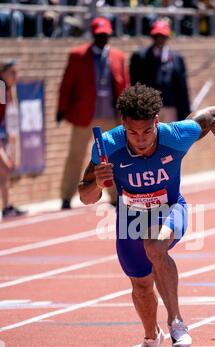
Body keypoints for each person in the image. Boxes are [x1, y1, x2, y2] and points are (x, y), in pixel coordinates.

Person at [78, 83, 215, 347]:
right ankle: (151, 337)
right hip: (131, 217)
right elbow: (86, 197)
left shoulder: (176, 135)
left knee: (155, 245)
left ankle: (176, 320)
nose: (140, 140)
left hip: (170, 208)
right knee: (140, 285)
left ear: (156, 122)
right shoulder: (108, 147)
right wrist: (97, 181)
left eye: (147, 132)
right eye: (132, 133)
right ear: (123, 125)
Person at [56, 16, 129, 209]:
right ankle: (66, 195)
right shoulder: (78, 55)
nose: (102, 38)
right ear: (93, 35)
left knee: (114, 157)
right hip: (84, 116)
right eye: (99, 35)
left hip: (110, 116)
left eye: (105, 35)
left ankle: (115, 196)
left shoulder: (118, 57)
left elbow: (125, 85)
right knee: (76, 156)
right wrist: (61, 109)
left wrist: (128, 112)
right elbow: (67, 84)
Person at [130, 18, 191, 122]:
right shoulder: (140, 57)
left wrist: (186, 112)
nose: (160, 39)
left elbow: (182, 87)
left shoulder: (176, 58)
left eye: (162, 36)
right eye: (157, 36)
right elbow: (134, 83)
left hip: (170, 107)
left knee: (170, 136)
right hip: (149, 109)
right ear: (152, 37)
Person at [0, 59, 26, 220]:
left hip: (2, 133)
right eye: (12, 73)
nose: (16, 76)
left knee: (4, 172)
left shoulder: (8, 89)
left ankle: (7, 206)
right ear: (3, 73)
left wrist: (11, 142)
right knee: (5, 166)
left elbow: (9, 117)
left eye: (17, 73)